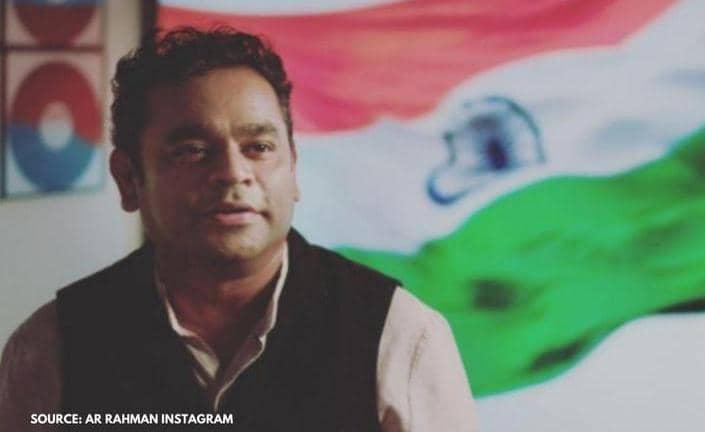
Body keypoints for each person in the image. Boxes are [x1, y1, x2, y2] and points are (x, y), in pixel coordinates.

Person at [0, 27, 477, 431]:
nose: (232, 173)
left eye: (259, 147)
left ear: (293, 168)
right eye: (192, 151)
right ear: (128, 179)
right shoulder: (52, 347)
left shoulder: (398, 337)